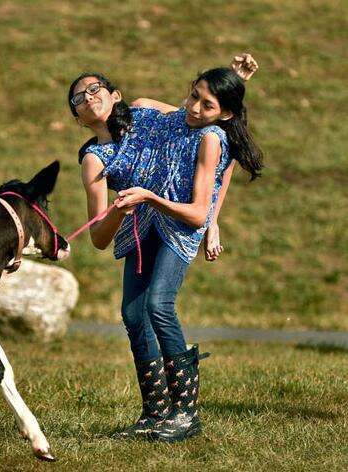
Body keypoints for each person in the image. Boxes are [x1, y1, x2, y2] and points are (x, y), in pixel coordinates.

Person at [69, 54, 263, 442]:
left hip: (177, 223)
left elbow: (211, 127)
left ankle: (186, 413)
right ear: (77, 118)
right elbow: (98, 237)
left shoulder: (148, 112)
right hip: (139, 229)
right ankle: (155, 413)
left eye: (96, 89)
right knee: (132, 314)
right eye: (79, 98)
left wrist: (211, 218)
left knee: (159, 305)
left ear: (115, 94)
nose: (89, 98)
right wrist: (122, 210)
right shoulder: (94, 160)